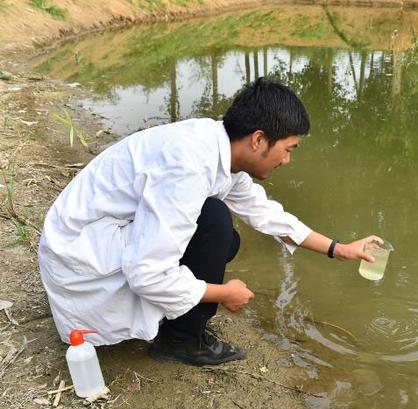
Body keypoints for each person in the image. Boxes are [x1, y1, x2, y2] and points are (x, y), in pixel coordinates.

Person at [38, 78, 380, 366]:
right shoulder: (188, 165)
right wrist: (222, 293)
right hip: (81, 263)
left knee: (225, 237)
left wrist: (340, 249)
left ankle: (179, 321)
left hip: (97, 237)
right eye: (288, 149)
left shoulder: (218, 147)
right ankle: (181, 341)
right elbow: (146, 272)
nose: (288, 160)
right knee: (214, 220)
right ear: (258, 139)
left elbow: (266, 214)